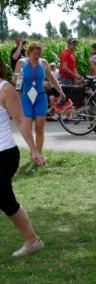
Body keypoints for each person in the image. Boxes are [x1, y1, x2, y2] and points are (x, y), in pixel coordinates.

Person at [0, 72, 46, 257]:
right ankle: (32, 240)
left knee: (4, 197)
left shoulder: (5, 89)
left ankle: (32, 240)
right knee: (5, 200)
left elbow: (20, 120)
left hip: (5, 154)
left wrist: (34, 149)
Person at [14, 42, 65, 153]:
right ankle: (33, 152)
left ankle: (38, 154)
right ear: (29, 52)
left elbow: (52, 78)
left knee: (39, 128)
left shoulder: (44, 63)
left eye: (39, 53)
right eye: (34, 54)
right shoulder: (21, 63)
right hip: (26, 98)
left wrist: (60, 91)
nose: (37, 56)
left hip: (41, 98)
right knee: (28, 129)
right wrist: (18, 77)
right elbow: (14, 81)